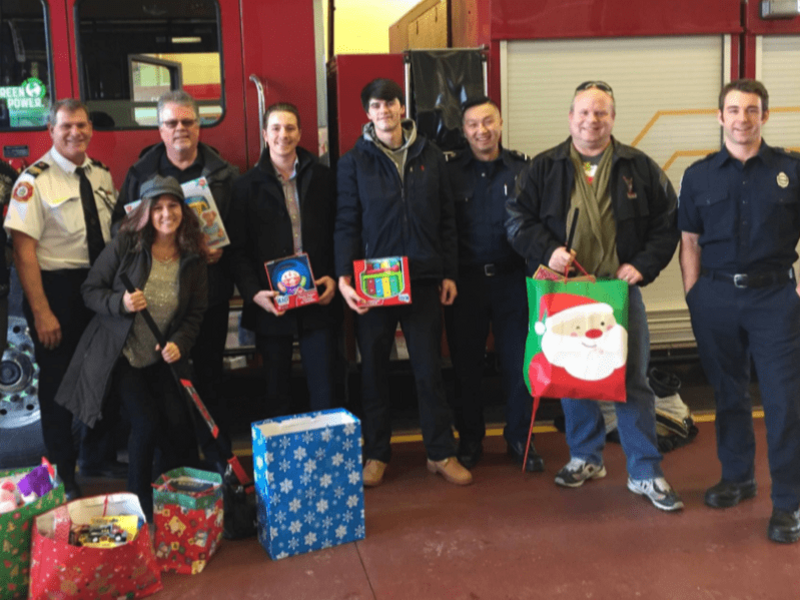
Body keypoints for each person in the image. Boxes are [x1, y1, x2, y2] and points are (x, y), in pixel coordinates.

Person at [506, 81, 682, 511]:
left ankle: (645, 470)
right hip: (568, 290)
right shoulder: (543, 168)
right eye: (584, 113)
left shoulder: (638, 167)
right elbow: (515, 218)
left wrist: (643, 264)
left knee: (631, 380)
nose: (592, 121)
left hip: (618, 290)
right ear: (570, 118)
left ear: (613, 119)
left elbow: (668, 221)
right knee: (573, 377)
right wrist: (547, 250)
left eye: (601, 113)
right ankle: (585, 456)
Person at [678, 79, 800, 543]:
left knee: (784, 401)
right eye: (733, 110)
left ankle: (789, 502)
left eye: (751, 110)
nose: (742, 119)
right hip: (716, 299)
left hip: (774, 300)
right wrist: (694, 296)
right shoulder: (699, 175)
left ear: (765, 116)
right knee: (728, 393)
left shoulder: (791, 169)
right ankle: (737, 477)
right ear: (719, 116)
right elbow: (688, 240)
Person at [335, 78, 471, 487]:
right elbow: (346, 222)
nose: (385, 111)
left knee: (429, 370)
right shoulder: (353, 161)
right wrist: (344, 278)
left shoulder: (431, 154)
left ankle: (441, 452)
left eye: (391, 103)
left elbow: (448, 218)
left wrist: (449, 271)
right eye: (376, 105)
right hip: (373, 284)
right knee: (373, 371)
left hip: (424, 278)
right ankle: (376, 455)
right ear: (368, 113)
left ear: (401, 106)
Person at [56, 175, 208, 520]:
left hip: (159, 357)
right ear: (145, 213)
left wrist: (179, 344)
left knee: (175, 420)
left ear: (182, 210)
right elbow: (90, 291)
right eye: (157, 208)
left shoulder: (193, 257)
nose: (166, 214)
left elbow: (195, 314)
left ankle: (170, 499)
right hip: (121, 355)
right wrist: (121, 302)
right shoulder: (127, 245)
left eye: (172, 206)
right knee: (145, 423)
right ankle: (139, 506)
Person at [115, 90, 238, 473]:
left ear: (199, 126)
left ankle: (218, 458)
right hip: (156, 307)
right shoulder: (139, 175)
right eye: (172, 123)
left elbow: (243, 230)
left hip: (208, 298)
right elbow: (122, 233)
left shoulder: (224, 173)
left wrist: (221, 251)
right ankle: (176, 466)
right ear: (160, 129)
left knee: (210, 378)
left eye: (188, 121)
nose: (180, 129)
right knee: (167, 387)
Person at [4, 99, 118, 498]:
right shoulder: (33, 181)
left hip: (99, 287)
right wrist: (41, 312)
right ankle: (62, 474)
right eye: (66, 126)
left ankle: (96, 456)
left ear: (91, 129)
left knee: (102, 377)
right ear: (51, 131)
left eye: (82, 125)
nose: (75, 133)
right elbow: (23, 251)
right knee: (58, 388)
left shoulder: (101, 175)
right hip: (57, 290)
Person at [443, 96, 542, 472]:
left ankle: (521, 438)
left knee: (520, 365)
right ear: (464, 130)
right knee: (465, 366)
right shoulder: (449, 173)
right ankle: (470, 439)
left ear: (500, 124)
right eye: (472, 124)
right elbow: (443, 229)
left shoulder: (524, 170)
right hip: (465, 284)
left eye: (488, 122)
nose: (481, 130)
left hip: (513, 281)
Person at [229, 102, 338, 416]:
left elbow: (339, 232)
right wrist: (253, 294)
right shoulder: (244, 187)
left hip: (318, 297)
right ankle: (283, 461)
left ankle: (325, 458)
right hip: (271, 303)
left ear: (300, 133)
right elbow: (237, 251)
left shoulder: (323, 178)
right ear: (265, 134)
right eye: (275, 128)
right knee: (276, 389)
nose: (283, 135)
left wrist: (332, 275)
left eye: (290, 128)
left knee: (325, 386)